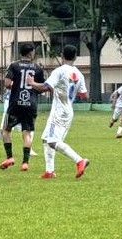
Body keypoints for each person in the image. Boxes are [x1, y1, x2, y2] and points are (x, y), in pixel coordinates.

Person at [25, 45, 90, 178]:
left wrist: (32, 83)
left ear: (62, 55)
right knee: (46, 139)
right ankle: (49, 172)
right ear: (75, 57)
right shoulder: (79, 74)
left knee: (52, 140)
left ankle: (79, 160)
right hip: (68, 110)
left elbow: (44, 87)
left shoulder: (59, 71)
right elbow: (84, 96)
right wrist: (69, 91)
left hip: (59, 111)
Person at [0, 43, 45, 172]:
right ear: (31, 53)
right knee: (27, 133)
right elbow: (41, 87)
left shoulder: (14, 65)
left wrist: (16, 87)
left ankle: (10, 157)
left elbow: (7, 83)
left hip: (15, 103)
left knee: (6, 130)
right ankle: (25, 163)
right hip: (31, 104)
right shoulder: (38, 68)